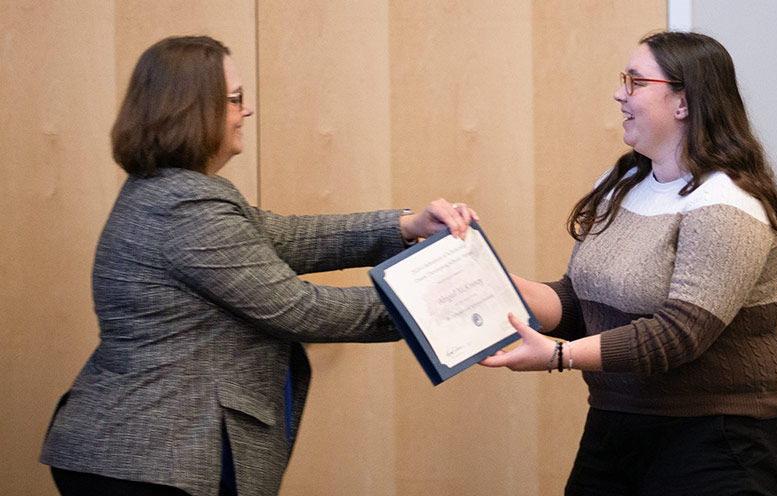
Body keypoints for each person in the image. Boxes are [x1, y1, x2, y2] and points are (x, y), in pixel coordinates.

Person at [38, 35, 476, 496]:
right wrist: (439, 299)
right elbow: (300, 310)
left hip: (143, 455)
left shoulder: (176, 191)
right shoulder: (183, 206)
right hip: (153, 459)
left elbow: (287, 238)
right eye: (235, 99)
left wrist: (407, 225)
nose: (246, 111)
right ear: (194, 109)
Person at [481, 30, 777, 495]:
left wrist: (559, 357)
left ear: (683, 102)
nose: (619, 94)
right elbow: (581, 304)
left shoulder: (729, 202)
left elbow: (680, 334)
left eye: (634, 82)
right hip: (617, 425)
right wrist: (491, 282)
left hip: (719, 438)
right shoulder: (624, 182)